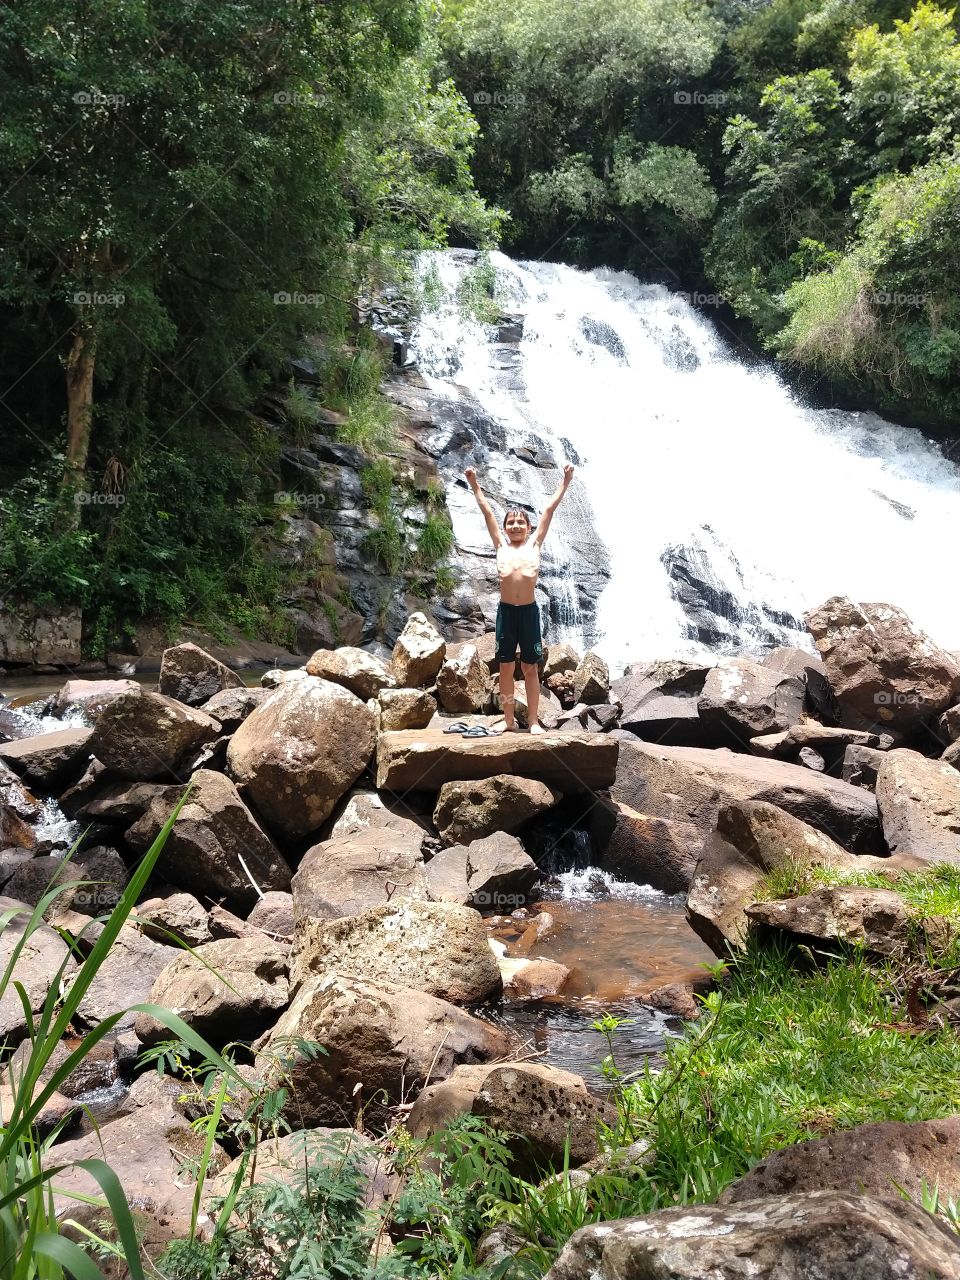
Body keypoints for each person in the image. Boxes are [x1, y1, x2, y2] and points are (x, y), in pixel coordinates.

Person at [465, 462, 575, 733]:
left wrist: (566, 481)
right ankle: (509, 719)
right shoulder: (500, 545)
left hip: (528, 613)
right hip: (506, 614)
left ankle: (535, 721)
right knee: (504, 669)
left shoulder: (535, 544)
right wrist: (474, 483)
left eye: (520, 522)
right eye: (511, 523)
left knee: (529, 668)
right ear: (504, 528)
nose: (515, 526)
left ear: (529, 527)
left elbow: (549, 510)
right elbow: (486, 511)